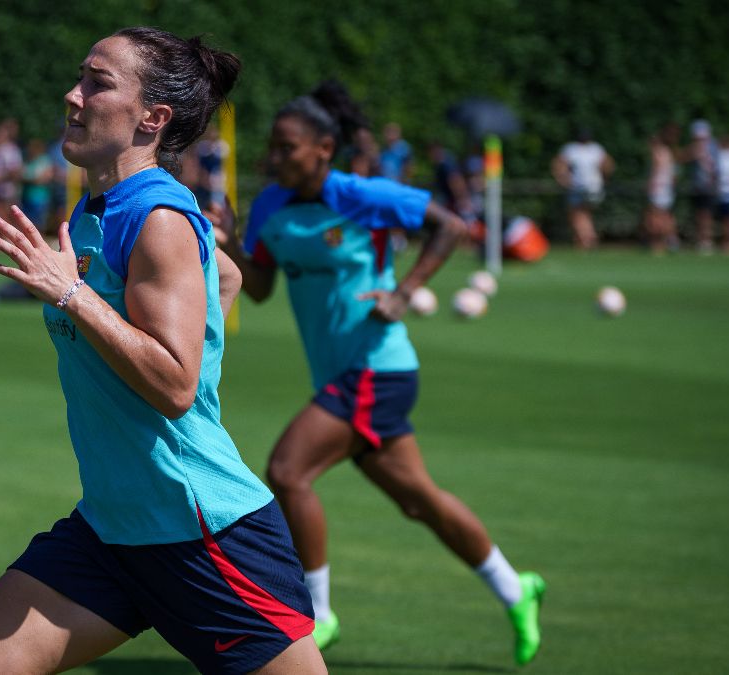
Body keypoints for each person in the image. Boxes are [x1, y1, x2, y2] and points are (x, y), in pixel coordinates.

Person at [0, 27, 326, 675]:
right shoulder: (100, 209)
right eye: (79, 77)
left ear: (153, 117)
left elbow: (175, 386)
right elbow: (225, 278)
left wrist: (73, 294)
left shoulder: (158, 217)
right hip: (113, 529)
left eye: (97, 81)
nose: (73, 95)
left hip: (203, 532)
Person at [209, 80, 546, 666]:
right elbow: (259, 290)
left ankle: (320, 614)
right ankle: (517, 589)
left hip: (377, 369)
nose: (275, 157)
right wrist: (233, 243)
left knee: (288, 471)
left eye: (288, 147)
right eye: (274, 146)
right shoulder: (268, 207)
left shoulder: (363, 195)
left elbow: (452, 225)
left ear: (323, 149)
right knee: (420, 501)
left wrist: (405, 291)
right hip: (340, 379)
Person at [551, 128, 613, 249]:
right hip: (595, 187)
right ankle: (586, 237)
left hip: (578, 187)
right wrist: (604, 179)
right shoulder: (596, 149)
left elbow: (558, 165)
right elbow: (608, 165)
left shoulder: (571, 149)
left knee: (577, 214)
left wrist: (563, 180)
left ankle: (587, 239)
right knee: (586, 213)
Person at [684, 119, 718, 254]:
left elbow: (714, 168)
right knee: (700, 214)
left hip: (708, 186)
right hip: (698, 186)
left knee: (706, 215)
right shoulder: (696, 147)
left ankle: (706, 241)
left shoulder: (712, 147)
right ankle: (701, 240)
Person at [643, 127, 678, 255]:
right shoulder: (668, 152)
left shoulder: (656, 152)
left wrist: (650, 184)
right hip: (667, 188)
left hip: (658, 187)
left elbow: (656, 170)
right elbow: (674, 174)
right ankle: (672, 240)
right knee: (666, 215)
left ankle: (659, 243)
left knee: (655, 216)